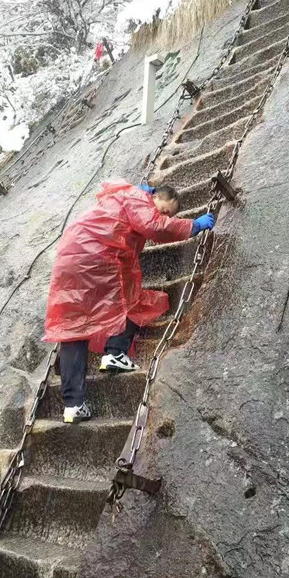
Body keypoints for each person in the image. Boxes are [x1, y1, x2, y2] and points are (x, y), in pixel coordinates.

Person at [43, 179, 214, 423]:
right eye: (165, 210)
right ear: (156, 196)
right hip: (98, 256)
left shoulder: (118, 197)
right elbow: (155, 227)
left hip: (69, 258)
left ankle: (73, 405)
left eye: (169, 215)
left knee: (73, 329)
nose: (164, 216)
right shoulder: (138, 197)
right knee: (134, 300)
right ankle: (115, 352)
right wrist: (193, 226)